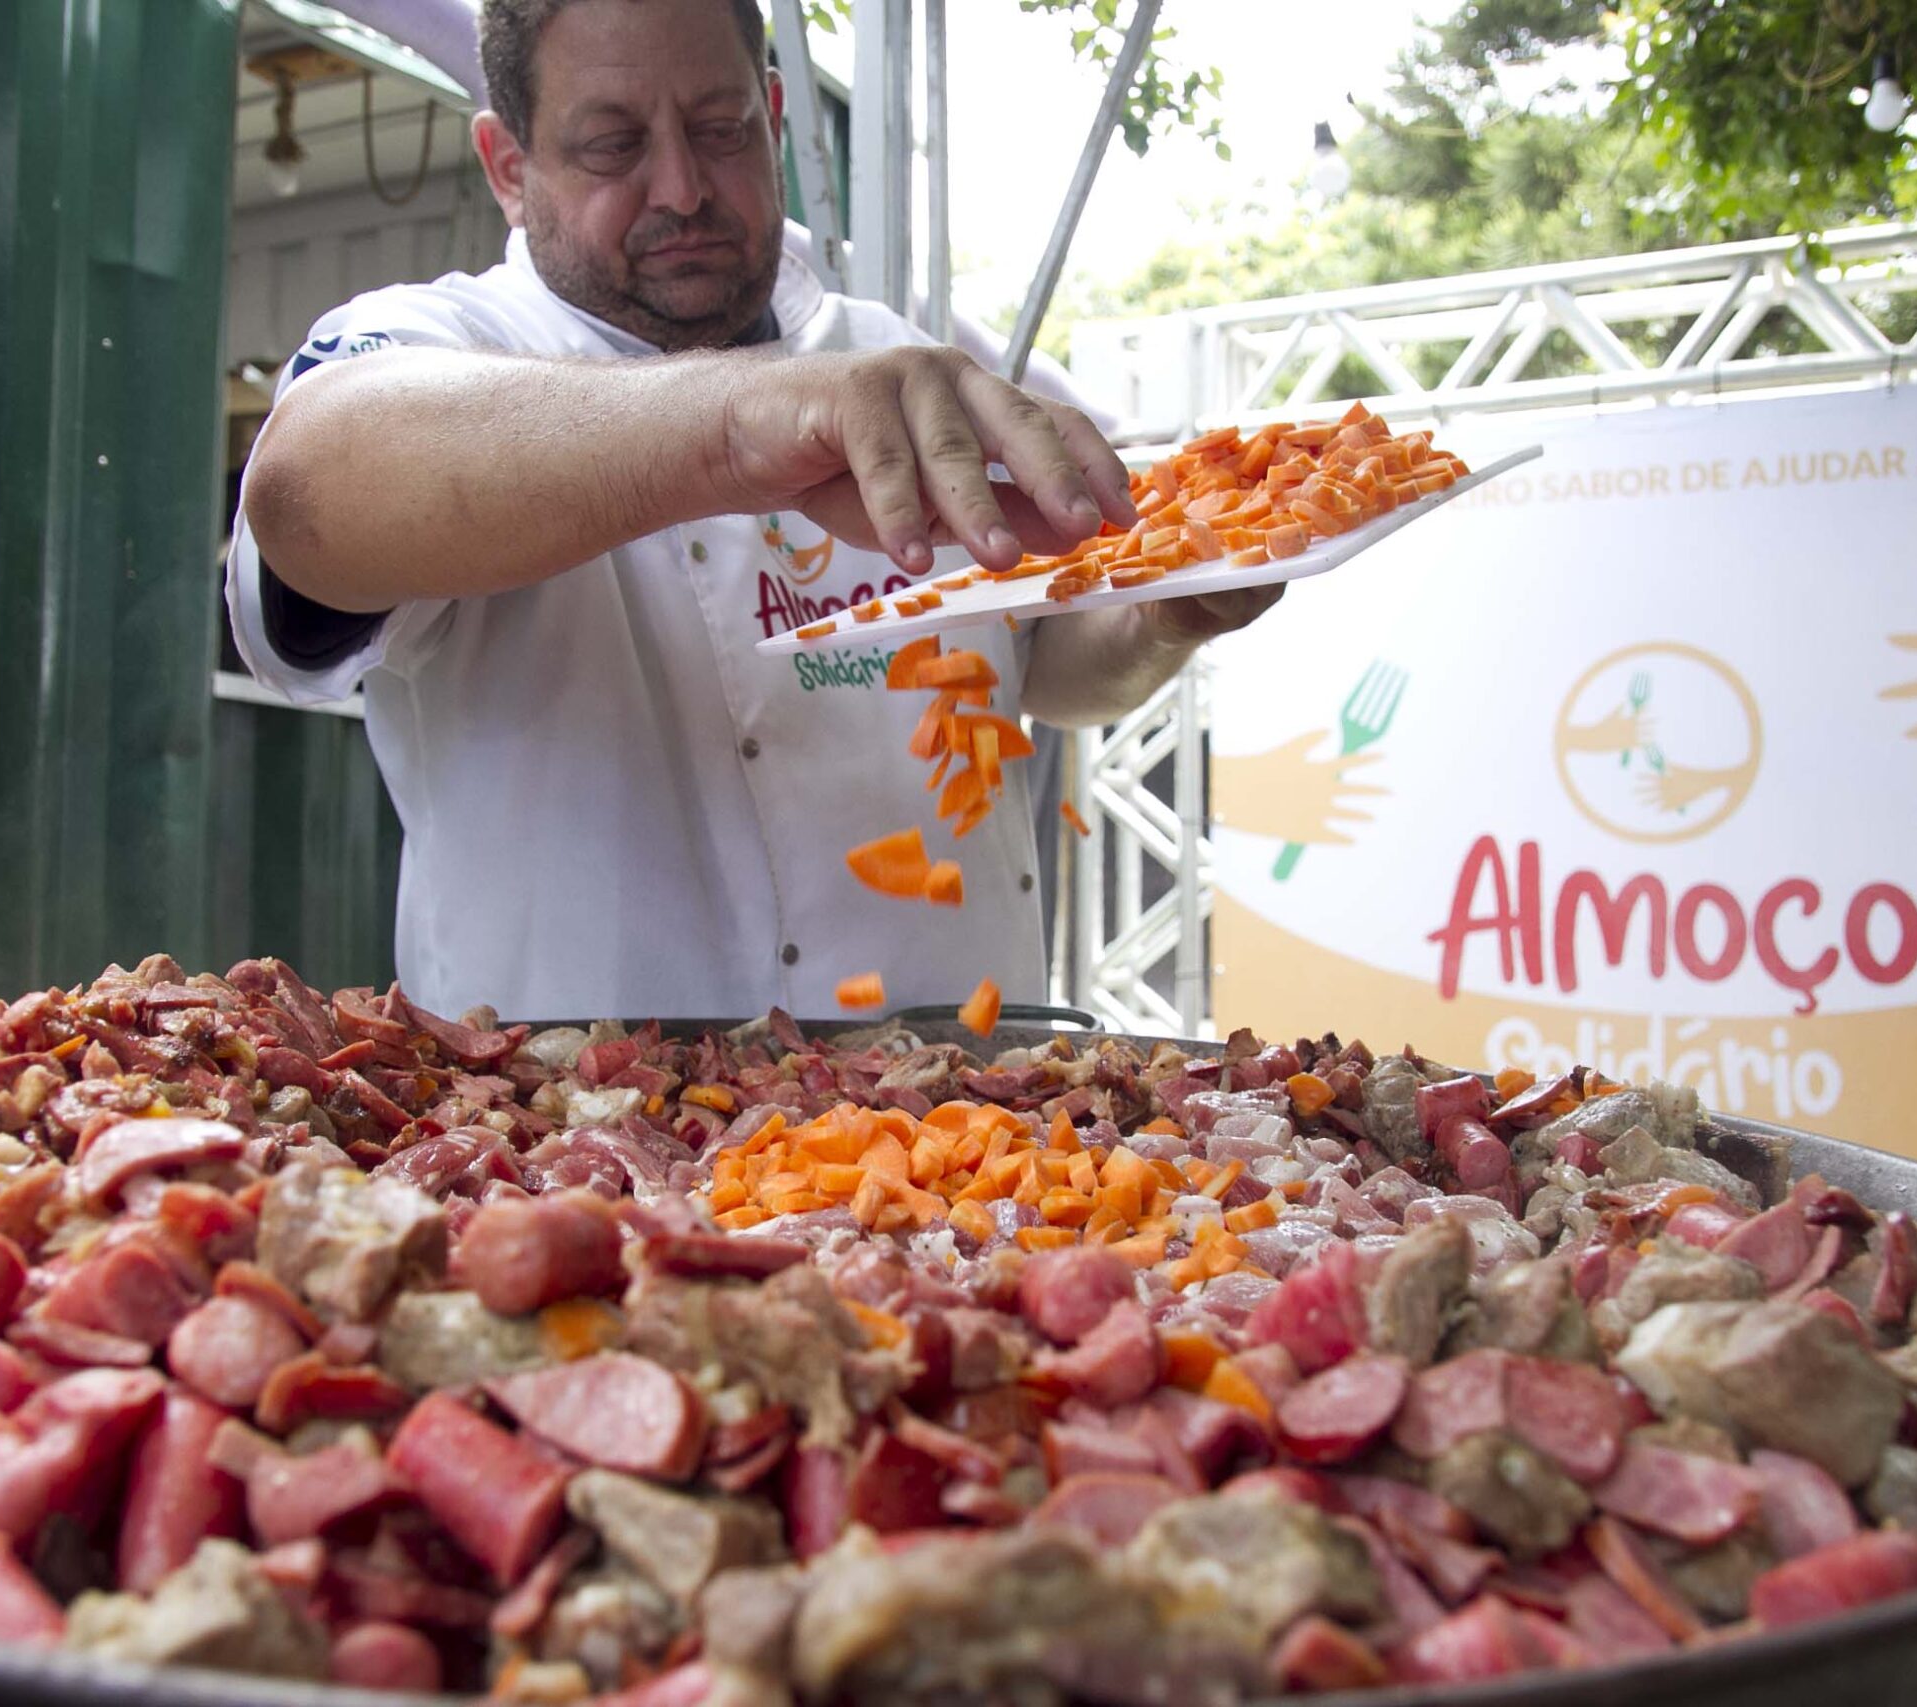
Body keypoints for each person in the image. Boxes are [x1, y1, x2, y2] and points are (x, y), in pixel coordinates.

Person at [229, 0, 1278, 1022]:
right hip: (583, 1149)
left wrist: (1164, 615)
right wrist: (739, 423)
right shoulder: (438, 341)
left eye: (720, 129)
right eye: (611, 145)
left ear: (773, 116)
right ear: (510, 167)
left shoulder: (896, 355)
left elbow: (1049, 668)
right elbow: (306, 489)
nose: (681, 189)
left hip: (968, 1122)